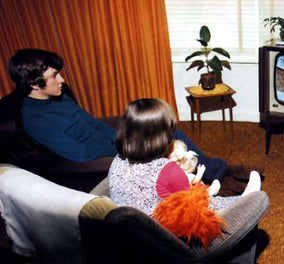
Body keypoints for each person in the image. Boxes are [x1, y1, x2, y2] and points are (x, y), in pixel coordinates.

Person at [7, 48, 226, 183]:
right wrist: (125, 147)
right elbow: (78, 153)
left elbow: (90, 121)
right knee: (162, 144)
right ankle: (214, 172)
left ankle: (212, 169)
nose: (62, 80)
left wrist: (123, 134)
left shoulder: (58, 96)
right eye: (54, 76)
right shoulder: (34, 120)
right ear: (34, 84)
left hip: (115, 144)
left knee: (167, 129)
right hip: (100, 159)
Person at [108, 98, 261, 215]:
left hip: (134, 231)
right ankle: (244, 196)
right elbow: (202, 203)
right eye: (168, 131)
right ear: (160, 138)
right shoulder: (168, 171)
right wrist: (243, 201)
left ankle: (225, 172)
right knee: (234, 200)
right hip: (167, 236)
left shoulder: (117, 161)